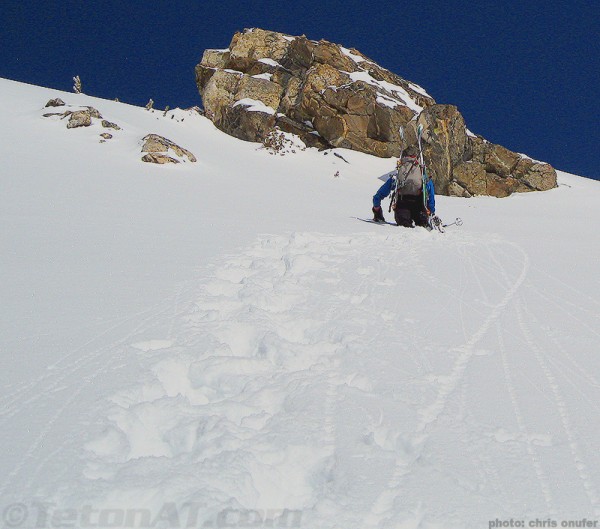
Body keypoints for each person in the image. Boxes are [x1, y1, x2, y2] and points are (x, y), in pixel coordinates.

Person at [372, 157, 435, 227]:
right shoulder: (422, 176)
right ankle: (424, 223)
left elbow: (379, 195)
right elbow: (431, 195)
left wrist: (376, 209)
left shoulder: (398, 175)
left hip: (402, 207)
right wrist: (431, 212)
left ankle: (406, 223)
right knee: (422, 225)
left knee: (404, 226)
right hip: (419, 208)